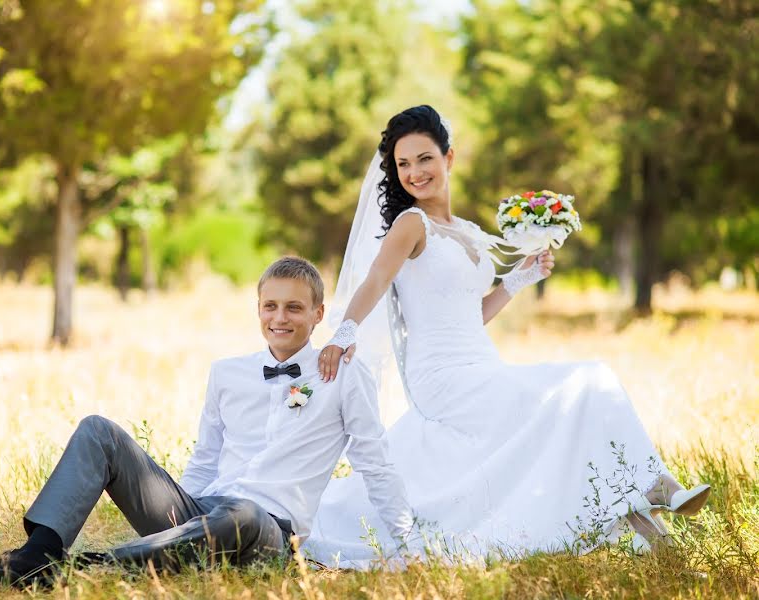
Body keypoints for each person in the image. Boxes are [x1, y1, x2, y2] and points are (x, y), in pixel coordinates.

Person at [303, 105, 710, 567]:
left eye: (424, 159)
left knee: (578, 403)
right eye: (403, 164)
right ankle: (654, 486)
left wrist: (517, 280)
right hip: (442, 377)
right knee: (588, 381)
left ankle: (638, 517)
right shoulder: (410, 224)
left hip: (482, 366)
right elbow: (375, 279)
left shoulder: (469, 233)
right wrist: (346, 332)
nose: (414, 172)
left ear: (449, 158)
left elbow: (469, 316)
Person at [0, 256, 413, 589]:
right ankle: (37, 557)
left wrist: (404, 541)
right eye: (270, 306)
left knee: (243, 513)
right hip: (203, 513)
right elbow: (206, 457)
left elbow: (374, 460)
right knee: (98, 430)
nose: (280, 318)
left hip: (268, 531)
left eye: (294, 308)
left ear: (318, 314)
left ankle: (95, 565)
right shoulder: (227, 372)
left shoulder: (342, 374)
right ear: (258, 309)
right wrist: (176, 519)